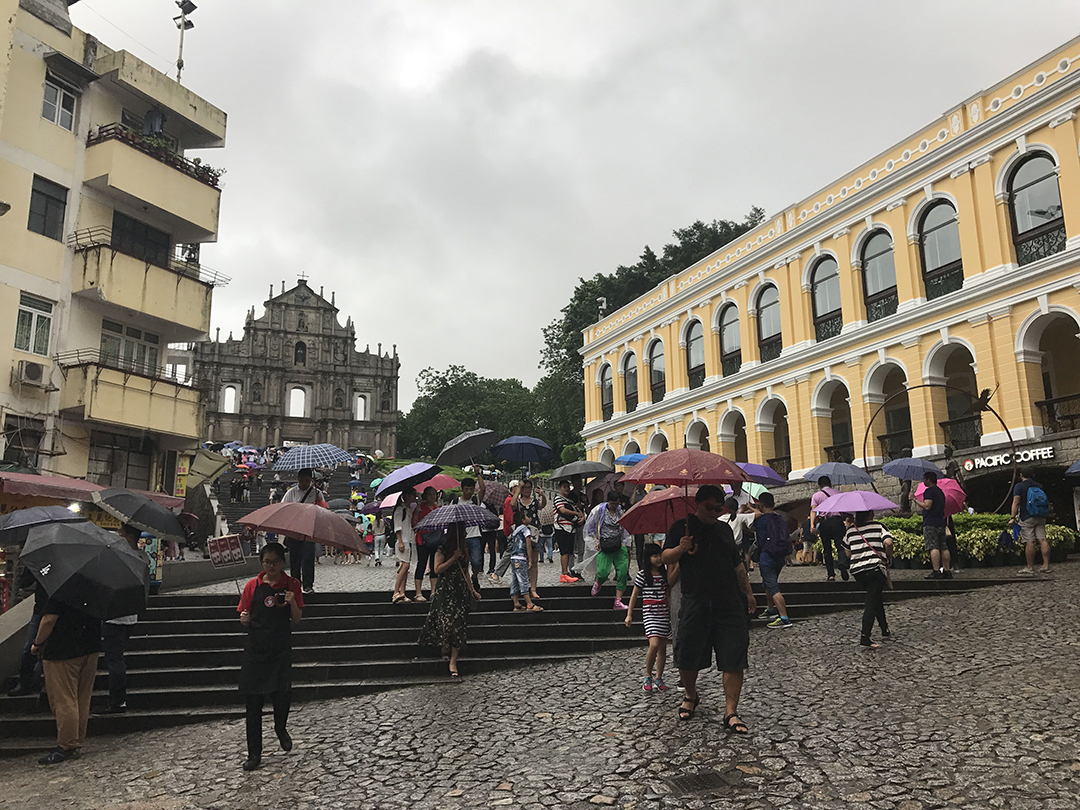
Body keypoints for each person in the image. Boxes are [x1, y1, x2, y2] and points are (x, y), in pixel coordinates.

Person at [662, 485, 756, 730]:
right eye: (710, 507)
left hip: (729, 601)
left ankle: (730, 711)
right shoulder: (680, 528)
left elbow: (737, 566)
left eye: (718, 508)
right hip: (695, 600)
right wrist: (681, 548)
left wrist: (748, 593)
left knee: (734, 656)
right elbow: (666, 557)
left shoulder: (724, 530)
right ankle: (691, 695)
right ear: (698, 503)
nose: (715, 512)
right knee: (687, 655)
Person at [237, 543, 303, 771]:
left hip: (280, 649)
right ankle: (254, 752)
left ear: (282, 562)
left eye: (275, 562)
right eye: (267, 562)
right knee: (253, 705)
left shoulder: (292, 585)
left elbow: (296, 619)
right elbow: (243, 613)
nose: (271, 566)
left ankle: (280, 727)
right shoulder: (252, 586)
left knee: (282, 695)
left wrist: (293, 601)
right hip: (255, 651)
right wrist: (243, 618)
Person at [32, 585, 102, 764]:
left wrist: (38, 643)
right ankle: (77, 739)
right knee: (82, 698)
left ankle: (67, 745)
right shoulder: (94, 587)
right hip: (90, 648)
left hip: (63, 650)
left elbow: (49, 619)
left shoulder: (60, 588)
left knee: (64, 699)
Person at [419, 524, 482, 676]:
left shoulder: (464, 547)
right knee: (445, 621)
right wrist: (453, 558)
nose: (466, 532)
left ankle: (453, 661)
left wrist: (472, 590)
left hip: (460, 590)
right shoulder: (442, 548)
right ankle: (445, 646)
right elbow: (437, 569)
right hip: (445, 589)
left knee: (459, 624)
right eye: (463, 530)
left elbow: (466, 571)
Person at [96, 523, 144, 715]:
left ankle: (118, 701)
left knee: (114, 659)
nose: (118, 536)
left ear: (130, 537)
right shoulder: (142, 558)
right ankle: (118, 699)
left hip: (116, 616)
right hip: (130, 616)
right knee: (117, 657)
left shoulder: (120, 558)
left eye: (121, 534)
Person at [624, 542, 673, 692]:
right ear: (648, 558)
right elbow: (634, 595)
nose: (658, 559)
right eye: (654, 556)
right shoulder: (642, 575)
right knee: (654, 644)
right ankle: (647, 674)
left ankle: (659, 676)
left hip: (663, 613)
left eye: (660, 555)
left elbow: (668, 594)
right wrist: (629, 614)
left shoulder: (665, 575)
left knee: (663, 647)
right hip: (650, 613)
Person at [842, 511, 893, 648]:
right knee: (871, 601)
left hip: (858, 571)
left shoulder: (851, 530)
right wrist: (889, 557)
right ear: (870, 515)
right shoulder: (878, 526)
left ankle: (884, 628)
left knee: (875, 596)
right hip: (875, 568)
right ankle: (865, 635)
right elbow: (888, 542)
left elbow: (847, 552)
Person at [281, 468, 329, 593]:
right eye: (302, 480)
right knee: (295, 558)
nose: (305, 483)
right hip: (295, 529)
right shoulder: (291, 493)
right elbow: (283, 508)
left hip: (309, 529)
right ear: (298, 479)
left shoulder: (317, 493)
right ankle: (295, 583)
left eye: (307, 480)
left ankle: (308, 585)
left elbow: (323, 510)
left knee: (308, 557)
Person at [586, 489, 633, 610]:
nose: (615, 506)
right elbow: (590, 527)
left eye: (617, 504)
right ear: (608, 502)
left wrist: (625, 543)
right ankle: (598, 582)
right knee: (603, 572)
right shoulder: (599, 510)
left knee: (622, 573)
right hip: (605, 545)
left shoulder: (619, 511)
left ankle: (618, 601)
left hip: (618, 545)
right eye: (613, 504)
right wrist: (596, 540)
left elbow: (625, 527)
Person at [752, 492, 794, 629]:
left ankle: (784, 617)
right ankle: (770, 609)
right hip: (779, 557)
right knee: (768, 584)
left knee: (774, 588)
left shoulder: (761, 521)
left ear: (761, 505)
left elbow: (759, 538)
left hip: (767, 556)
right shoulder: (780, 518)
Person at [1011, 468, 1051, 575]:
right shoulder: (1039, 485)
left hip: (1026, 516)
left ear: (1021, 475)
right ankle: (1046, 565)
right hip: (1040, 515)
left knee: (1029, 541)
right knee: (1042, 539)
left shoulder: (1019, 486)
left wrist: (1012, 517)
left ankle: (1030, 567)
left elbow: (1016, 502)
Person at [513, 480, 547, 601]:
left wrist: (542, 495)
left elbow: (542, 505)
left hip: (534, 534)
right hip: (522, 536)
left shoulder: (534, 502)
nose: (527, 490)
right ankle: (522, 588)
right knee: (521, 562)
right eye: (525, 488)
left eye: (529, 488)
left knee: (534, 562)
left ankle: (533, 588)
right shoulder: (519, 502)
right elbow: (512, 504)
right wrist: (518, 489)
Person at [810, 476, 847, 581]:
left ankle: (831, 574)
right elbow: (844, 509)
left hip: (825, 522)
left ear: (819, 485)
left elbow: (813, 510)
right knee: (840, 546)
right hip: (837, 521)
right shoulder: (839, 493)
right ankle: (842, 563)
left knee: (827, 549)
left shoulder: (816, 495)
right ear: (830, 483)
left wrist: (812, 525)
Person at [915, 471, 950, 579]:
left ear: (929, 479)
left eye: (924, 479)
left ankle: (936, 570)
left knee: (933, 547)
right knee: (943, 546)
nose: (923, 481)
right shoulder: (940, 492)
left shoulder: (929, 491)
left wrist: (914, 499)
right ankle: (946, 570)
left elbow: (927, 506)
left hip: (930, 523)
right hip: (940, 522)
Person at [457, 477, 488, 591]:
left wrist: (478, 474)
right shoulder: (456, 502)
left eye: (471, 489)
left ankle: (474, 577)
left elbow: (483, 490)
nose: (469, 492)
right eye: (466, 489)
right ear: (462, 489)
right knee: (462, 562)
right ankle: (465, 581)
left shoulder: (475, 500)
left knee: (476, 561)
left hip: (474, 535)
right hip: (461, 537)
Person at [507, 511, 542, 612]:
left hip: (513, 558)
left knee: (514, 581)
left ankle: (516, 603)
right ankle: (529, 603)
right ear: (523, 520)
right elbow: (528, 545)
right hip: (521, 558)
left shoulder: (515, 531)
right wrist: (530, 560)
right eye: (526, 516)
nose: (528, 517)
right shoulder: (526, 530)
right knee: (523, 580)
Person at [412, 486, 441, 602]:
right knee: (422, 564)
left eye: (434, 494)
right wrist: (416, 515)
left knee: (434, 566)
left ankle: (433, 591)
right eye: (429, 494)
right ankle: (418, 592)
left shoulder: (436, 508)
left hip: (435, 539)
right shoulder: (420, 508)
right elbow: (413, 524)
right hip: (422, 539)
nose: (432, 496)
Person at [553, 479, 585, 582]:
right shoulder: (558, 499)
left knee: (569, 551)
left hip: (571, 529)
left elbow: (578, 511)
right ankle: (564, 573)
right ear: (560, 488)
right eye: (564, 487)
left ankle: (568, 573)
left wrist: (581, 516)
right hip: (561, 528)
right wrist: (575, 514)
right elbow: (562, 510)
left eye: (567, 486)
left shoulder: (571, 501)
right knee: (564, 552)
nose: (566, 488)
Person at [392, 488, 418, 603]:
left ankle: (402, 592)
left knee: (405, 567)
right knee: (405, 566)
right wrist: (400, 541)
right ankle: (396, 592)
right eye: (413, 495)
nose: (414, 497)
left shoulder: (408, 509)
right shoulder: (400, 509)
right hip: (403, 540)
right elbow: (397, 526)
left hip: (409, 539)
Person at [719, 497, 755, 572]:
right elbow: (759, 514)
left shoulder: (719, 518)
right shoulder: (739, 517)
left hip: (723, 549)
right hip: (737, 549)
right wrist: (749, 507)